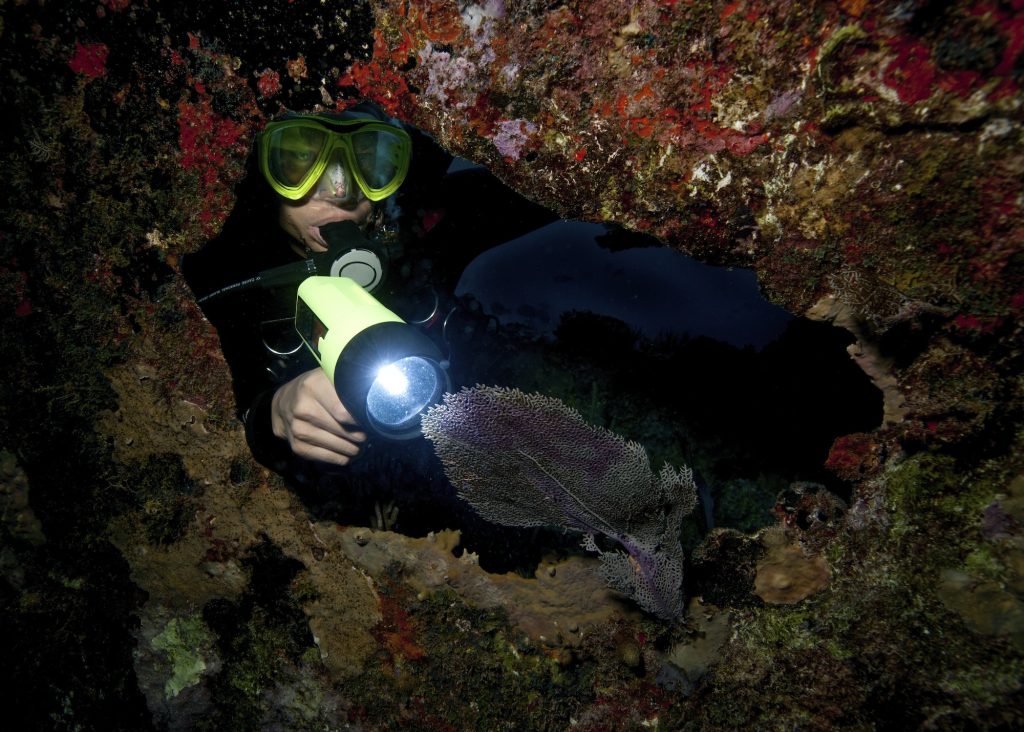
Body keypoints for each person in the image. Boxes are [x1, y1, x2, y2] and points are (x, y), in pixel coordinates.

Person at [183, 102, 555, 485]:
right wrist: (274, 414)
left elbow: (560, 184)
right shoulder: (229, 274)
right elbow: (215, 399)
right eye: (299, 158)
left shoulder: (425, 233)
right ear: (264, 173)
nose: (340, 190)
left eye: (368, 159)